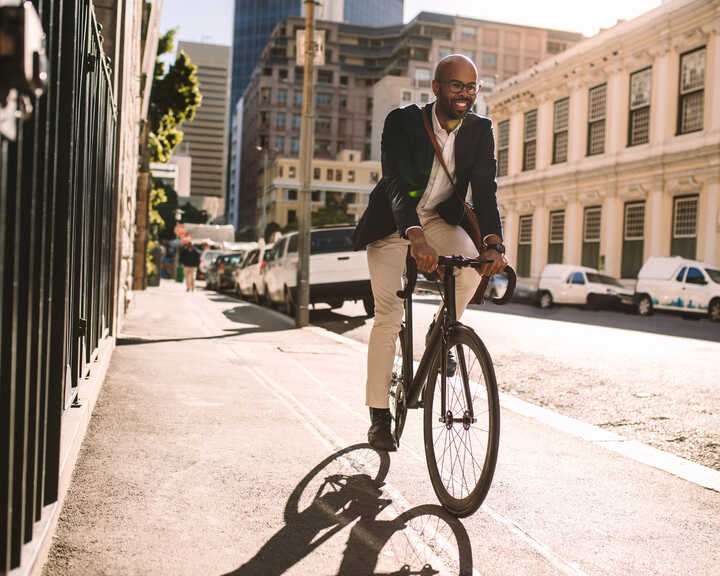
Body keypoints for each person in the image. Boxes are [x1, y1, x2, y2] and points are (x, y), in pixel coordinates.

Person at [352, 55, 508, 452]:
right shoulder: (402, 121)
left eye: (472, 87)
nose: (465, 94)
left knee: (472, 270)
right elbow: (395, 184)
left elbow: (486, 190)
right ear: (436, 87)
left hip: (439, 220)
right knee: (387, 317)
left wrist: (493, 243)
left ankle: (440, 333)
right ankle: (379, 417)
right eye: (456, 85)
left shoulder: (480, 130)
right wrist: (415, 237)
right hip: (393, 225)